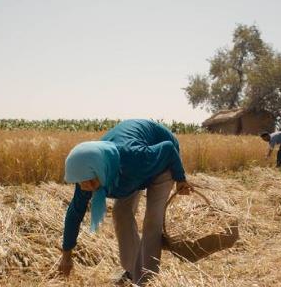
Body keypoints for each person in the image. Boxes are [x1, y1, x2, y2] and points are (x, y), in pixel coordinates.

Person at [58, 119, 193, 286]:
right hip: (127, 173)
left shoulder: (134, 157)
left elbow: (167, 149)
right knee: (121, 214)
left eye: (90, 181)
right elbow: (75, 214)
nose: (87, 187)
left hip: (162, 162)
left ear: (100, 168)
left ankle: (146, 279)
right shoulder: (87, 175)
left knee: (152, 220)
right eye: (81, 182)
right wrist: (66, 255)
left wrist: (180, 179)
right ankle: (132, 270)